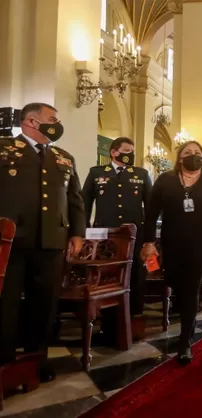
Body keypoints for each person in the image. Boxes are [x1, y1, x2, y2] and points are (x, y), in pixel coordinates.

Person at [0, 102, 86, 382]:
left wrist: (77, 233)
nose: (56, 124)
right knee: (6, 302)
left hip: (51, 240)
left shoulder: (63, 157)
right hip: (10, 241)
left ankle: (37, 360)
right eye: (52, 119)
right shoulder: (4, 148)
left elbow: (75, 200)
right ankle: (5, 360)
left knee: (45, 303)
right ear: (31, 122)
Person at [141, 141, 202, 365]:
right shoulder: (165, 181)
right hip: (171, 244)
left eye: (197, 153)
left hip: (201, 245)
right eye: (188, 153)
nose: (193, 156)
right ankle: (188, 321)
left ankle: (185, 340)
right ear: (179, 158)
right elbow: (151, 214)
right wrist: (148, 242)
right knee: (176, 283)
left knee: (191, 288)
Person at [82, 136, 152, 334]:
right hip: (105, 235)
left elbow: (151, 206)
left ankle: (133, 317)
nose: (130, 154)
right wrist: (83, 232)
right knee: (106, 276)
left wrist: (148, 238)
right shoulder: (97, 173)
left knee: (135, 273)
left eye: (132, 151)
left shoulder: (141, 174)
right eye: (126, 150)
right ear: (114, 152)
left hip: (133, 235)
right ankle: (107, 320)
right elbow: (84, 204)